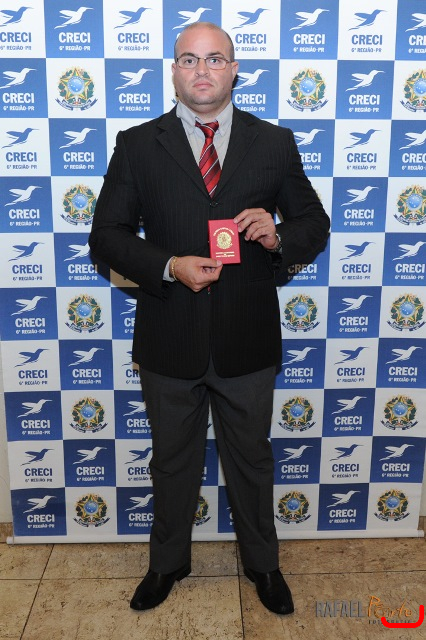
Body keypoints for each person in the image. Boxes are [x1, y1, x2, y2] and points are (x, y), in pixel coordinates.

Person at [89, 22, 330, 615]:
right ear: (173, 70)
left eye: (215, 58)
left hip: (247, 337)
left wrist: (278, 235)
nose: (202, 70)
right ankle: (167, 563)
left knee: (252, 459)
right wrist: (169, 265)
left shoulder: (274, 141)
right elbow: (107, 236)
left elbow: (314, 223)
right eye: (190, 59)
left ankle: (263, 565)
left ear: (234, 70)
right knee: (171, 461)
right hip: (170, 335)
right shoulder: (137, 143)